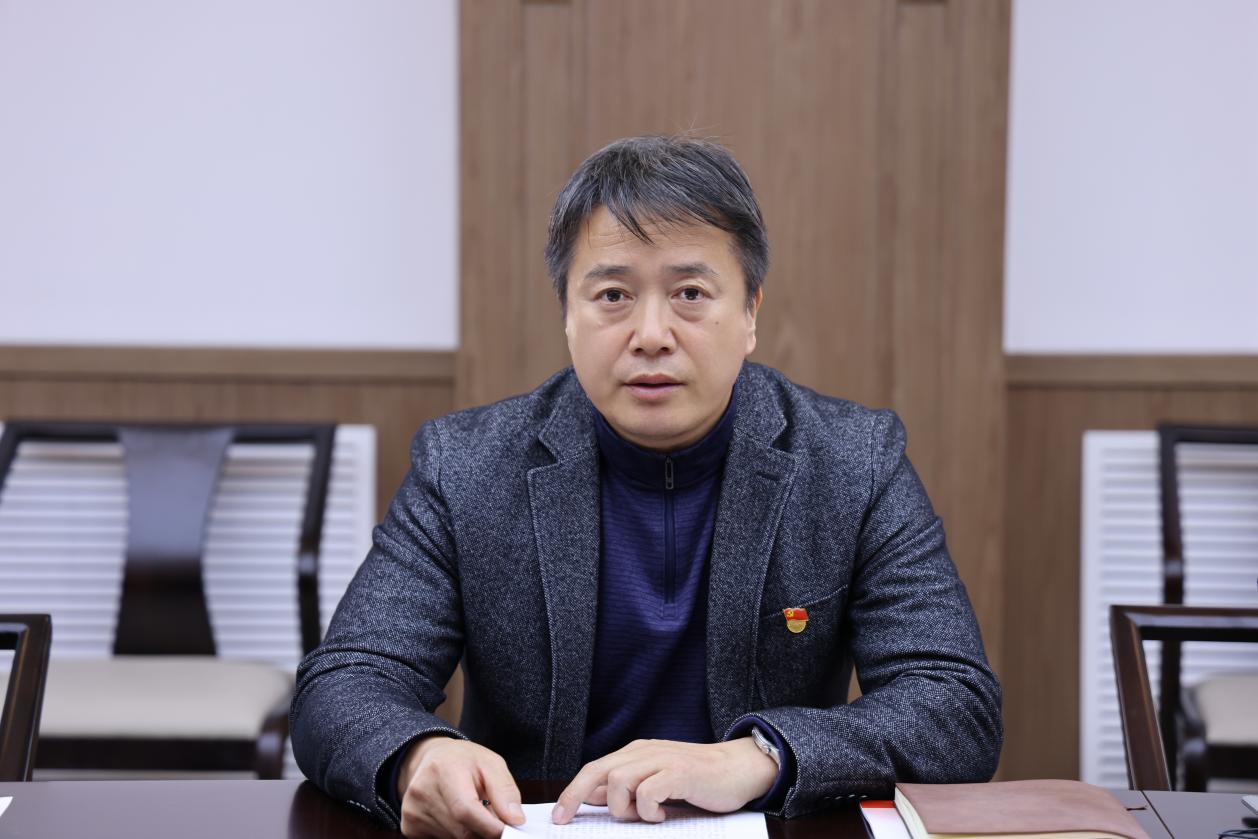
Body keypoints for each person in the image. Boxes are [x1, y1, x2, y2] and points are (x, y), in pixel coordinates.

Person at [290, 135, 1002, 839]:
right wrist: (418, 755)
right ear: (567, 315)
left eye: (690, 293)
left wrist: (759, 756)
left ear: (751, 312)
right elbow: (344, 683)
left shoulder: (853, 462)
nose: (652, 333)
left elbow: (955, 704)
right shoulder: (466, 466)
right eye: (613, 295)